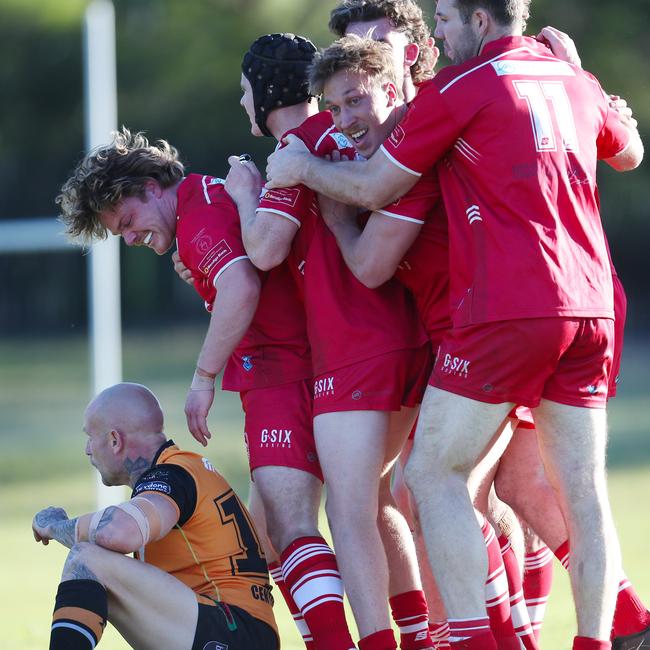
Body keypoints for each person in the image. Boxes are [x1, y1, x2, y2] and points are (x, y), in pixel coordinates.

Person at [264, 0, 644, 647]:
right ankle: (611, 632)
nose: (437, 31)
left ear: (478, 19)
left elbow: (375, 217)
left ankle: (472, 640)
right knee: (559, 488)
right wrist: (586, 78)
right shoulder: (567, 77)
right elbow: (631, 151)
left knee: (432, 480)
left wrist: (303, 175)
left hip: (510, 313)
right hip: (591, 305)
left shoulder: (454, 93)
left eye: (443, 18)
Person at [56, 123, 355, 650]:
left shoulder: (195, 219)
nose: (129, 238)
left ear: (152, 186)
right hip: (301, 363)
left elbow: (240, 285)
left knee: (293, 531)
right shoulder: (206, 202)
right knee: (268, 536)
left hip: (281, 370)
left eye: (128, 221)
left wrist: (202, 378)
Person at [226, 32, 435, 650]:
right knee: (383, 499)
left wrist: (242, 198)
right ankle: (425, 634)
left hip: (353, 348)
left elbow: (263, 249)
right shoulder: (366, 132)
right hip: (413, 337)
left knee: (348, 512)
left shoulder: (300, 145)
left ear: (265, 92)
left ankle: (377, 642)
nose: (242, 104)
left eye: (244, 91)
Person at [32, 382, 278, 650]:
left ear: (115, 440)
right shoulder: (182, 469)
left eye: (90, 437)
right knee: (97, 571)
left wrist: (55, 526)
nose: (87, 449)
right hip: (236, 626)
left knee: (86, 558)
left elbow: (119, 533)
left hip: (233, 628)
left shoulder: (172, 474)